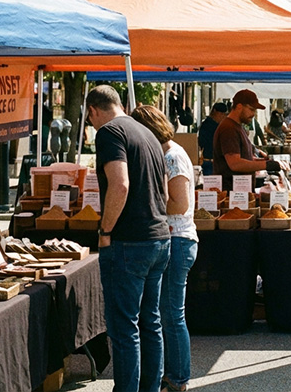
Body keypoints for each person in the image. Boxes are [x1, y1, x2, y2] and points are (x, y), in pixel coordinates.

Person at [86, 85, 171, 392]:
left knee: (125, 329)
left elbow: (119, 185)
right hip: (158, 237)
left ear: (94, 110)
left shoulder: (109, 133)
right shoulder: (147, 132)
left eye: (89, 118)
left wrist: (105, 230)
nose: (91, 124)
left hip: (129, 242)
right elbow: (162, 185)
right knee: (150, 324)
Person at [130, 105, 198, 392]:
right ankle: (173, 374)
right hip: (175, 238)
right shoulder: (168, 154)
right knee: (166, 312)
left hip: (178, 239)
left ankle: (179, 377)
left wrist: (149, 205)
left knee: (171, 314)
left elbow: (179, 203)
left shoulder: (172, 156)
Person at [214, 90, 288, 191]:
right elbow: (235, 164)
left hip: (240, 193)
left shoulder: (237, 127)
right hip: (231, 195)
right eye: (251, 109)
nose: (253, 114)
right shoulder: (229, 128)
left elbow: (245, 158)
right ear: (239, 106)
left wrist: (265, 161)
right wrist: (266, 165)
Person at [198, 102, 228, 175]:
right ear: (214, 111)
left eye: (224, 115)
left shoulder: (221, 126)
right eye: (221, 114)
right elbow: (201, 142)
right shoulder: (206, 125)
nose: (222, 117)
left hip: (218, 162)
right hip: (209, 162)